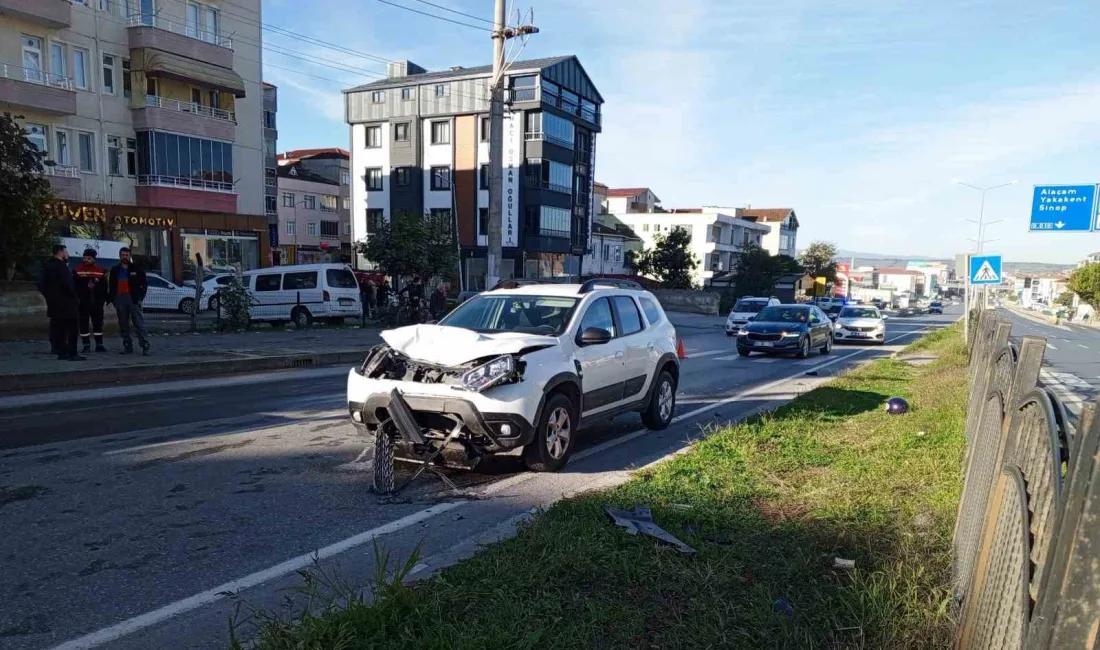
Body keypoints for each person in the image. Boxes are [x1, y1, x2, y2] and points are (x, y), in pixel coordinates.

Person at [39, 244, 83, 361]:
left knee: (58, 329)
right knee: (72, 328)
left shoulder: (46, 266)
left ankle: (61, 352)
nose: (67, 254)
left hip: (54, 304)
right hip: (67, 303)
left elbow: (41, 284)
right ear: (61, 252)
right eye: (66, 252)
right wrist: (74, 297)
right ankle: (72, 353)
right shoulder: (61, 267)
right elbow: (67, 284)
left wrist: (49, 297)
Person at [107, 247, 151, 355]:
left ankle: (145, 345)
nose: (125, 257)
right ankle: (127, 346)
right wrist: (113, 299)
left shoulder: (136, 269)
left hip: (133, 299)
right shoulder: (115, 269)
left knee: (138, 323)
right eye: (123, 255)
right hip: (120, 299)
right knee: (123, 324)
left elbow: (144, 284)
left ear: (129, 256)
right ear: (120, 256)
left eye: (127, 255)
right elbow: (111, 285)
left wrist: (140, 298)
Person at [73, 248, 109, 353]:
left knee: (98, 323)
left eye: (89, 258)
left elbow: (104, 287)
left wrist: (103, 299)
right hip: (83, 302)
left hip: (97, 303)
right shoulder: (77, 270)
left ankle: (99, 345)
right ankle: (86, 345)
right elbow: (74, 286)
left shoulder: (100, 271)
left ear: (94, 259)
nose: (86, 260)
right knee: (83, 324)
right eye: (84, 258)